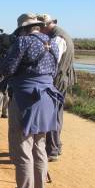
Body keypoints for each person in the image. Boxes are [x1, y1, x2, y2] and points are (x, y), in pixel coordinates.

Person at [0, 13, 63, 188]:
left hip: (26, 98)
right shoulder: (52, 42)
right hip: (47, 97)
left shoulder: (23, 42)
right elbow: (53, 70)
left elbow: (7, 70)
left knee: (22, 146)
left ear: (23, 29)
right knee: (39, 145)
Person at [37, 14, 76, 161]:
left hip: (57, 80)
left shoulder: (57, 39)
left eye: (40, 27)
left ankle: (52, 149)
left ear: (46, 26)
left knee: (51, 114)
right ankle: (56, 146)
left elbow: (53, 61)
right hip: (62, 79)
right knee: (56, 114)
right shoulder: (60, 34)